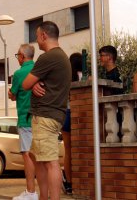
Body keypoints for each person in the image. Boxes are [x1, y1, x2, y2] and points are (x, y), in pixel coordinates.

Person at [22, 21, 71, 200]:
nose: (36, 40)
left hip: (44, 116)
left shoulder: (48, 57)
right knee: (38, 158)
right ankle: (43, 197)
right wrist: (36, 83)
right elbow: (36, 84)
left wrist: (32, 83)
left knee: (50, 162)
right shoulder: (62, 57)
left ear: (44, 35)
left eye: (37, 36)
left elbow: (25, 83)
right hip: (53, 115)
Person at [8, 44, 37, 200]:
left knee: (27, 155)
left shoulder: (19, 74)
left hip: (25, 118)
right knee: (42, 157)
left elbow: (12, 94)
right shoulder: (39, 69)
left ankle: (31, 192)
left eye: (17, 55)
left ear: (22, 56)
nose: (17, 58)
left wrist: (11, 92)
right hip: (40, 119)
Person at [62, 52, 83, 195]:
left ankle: (69, 184)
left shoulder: (66, 77)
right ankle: (80, 182)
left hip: (66, 114)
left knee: (68, 152)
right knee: (80, 151)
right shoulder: (85, 76)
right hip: (79, 114)